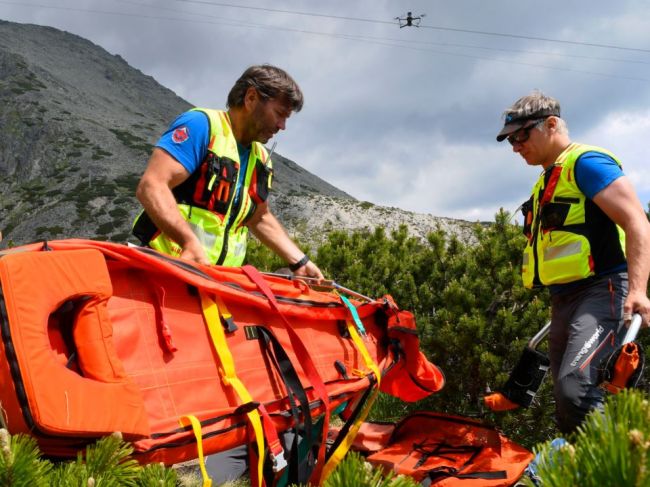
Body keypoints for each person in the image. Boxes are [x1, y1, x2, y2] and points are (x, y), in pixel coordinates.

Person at [496, 91, 650, 434]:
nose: (515, 146)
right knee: (569, 402)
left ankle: (623, 468)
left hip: (602, 290)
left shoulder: (588, 163)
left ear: (551, 124)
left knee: (576, 390)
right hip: (564, 299)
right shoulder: (548, 178)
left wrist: (638, 291)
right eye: (510, 140)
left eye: (521, 135)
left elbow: (638, 222)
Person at [132, 64, 323, 280]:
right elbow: (152, 186)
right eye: (280, 114)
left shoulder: (261, 158)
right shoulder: (201, 125)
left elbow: (258, 216)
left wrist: (300, 261)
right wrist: (188, 242)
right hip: (167, 271)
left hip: (222, 282)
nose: (282, 126)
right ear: (251, 98)